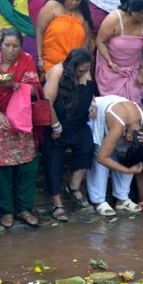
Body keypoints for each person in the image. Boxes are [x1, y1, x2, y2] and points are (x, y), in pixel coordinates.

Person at [0, 28, 41, 228]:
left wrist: (16, 85)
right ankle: (6, 211)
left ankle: (24, 208)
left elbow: (35, 88)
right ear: (0, 45)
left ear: (21, 46)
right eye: (6, 45)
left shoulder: (27, 60)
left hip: (21, 119)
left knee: (26, 167)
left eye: (15, 46)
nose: (11, 50)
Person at [43, 48, 95, 221]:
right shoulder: (58, 71)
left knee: (88, 145)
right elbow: (47, 101)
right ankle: (57, 203)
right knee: (54, 160)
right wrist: (56, 126)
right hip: (56, 123)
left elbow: (90, 92)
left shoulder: (85, 73)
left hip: (77, 123)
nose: (84, 73)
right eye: (81, 70)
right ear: (73, 66)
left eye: (86, 70)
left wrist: (93, 103)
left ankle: (74, 186)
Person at [88, 95, 143, 216]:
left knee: (131, 157)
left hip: (119, 112)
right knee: (100, 154)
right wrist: (128, 169)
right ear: (128, 137)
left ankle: (122, 198)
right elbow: (102, 158)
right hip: (96, 114)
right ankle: (99, 200)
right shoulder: (118, 127)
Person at [94, 0, 143, 102]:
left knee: (133, 105)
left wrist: (142, 72)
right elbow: (100, 41)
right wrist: (110, 63)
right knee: (114, 105)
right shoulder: (114, 18)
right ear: (134, 11)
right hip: (111, 68)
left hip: (133, 70)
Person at [36, 0, 91, 73]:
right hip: (50, 64)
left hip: (74, 66)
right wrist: (40, 57)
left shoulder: (82, 12)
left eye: (78, 0)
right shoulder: (52, 6)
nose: (74, 3)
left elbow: (86, 37)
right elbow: (39, 31)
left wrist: (82, 60)